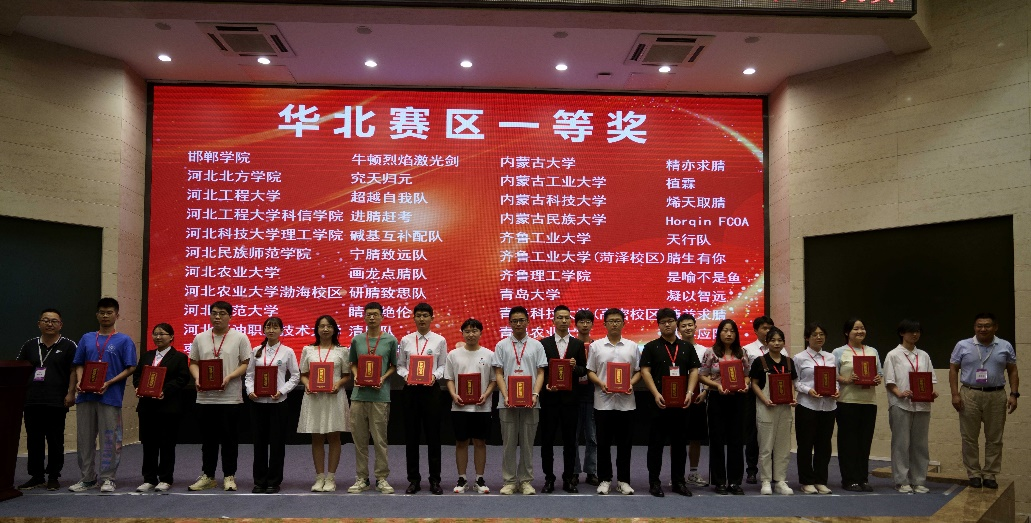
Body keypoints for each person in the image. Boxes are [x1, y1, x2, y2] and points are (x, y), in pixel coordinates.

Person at [69, 297, 138, 493]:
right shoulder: (87, 338)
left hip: (110, 396)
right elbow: (79, 363)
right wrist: (80, 381)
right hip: (85, 396)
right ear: (97, 315)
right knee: (84, 439)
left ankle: (108, 478)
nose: (105, 316)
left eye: (109, 312)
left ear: (117, 315)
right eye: (102, 312)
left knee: (110, 439)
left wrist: (109, 382)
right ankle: (87, 478)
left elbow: (131, 367)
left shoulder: (124, 340)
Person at [948, 312, 1019, 490]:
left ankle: (989, 474)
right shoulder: (962, 345)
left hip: (996, 395)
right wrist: (955, 394)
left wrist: (1014, 394)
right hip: (969, 393)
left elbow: (1012, 370)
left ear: (995, 327)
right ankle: (973, 473)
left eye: (987, 325)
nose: (983, 329)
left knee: (995, 438)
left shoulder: (1005, 346)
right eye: (979, 326)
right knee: (969, 437)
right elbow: (953, 369)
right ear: (974, 327)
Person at [187, 300, 251, 492]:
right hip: (205, 398)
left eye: (222, 313)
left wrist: (230, 377)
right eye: (214, 313)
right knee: (208, 440)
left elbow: (246, 363)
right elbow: (193, 362)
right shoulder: (200, 337)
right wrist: (197, 378)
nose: (217, 317)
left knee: (229, 439)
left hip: (230, 397)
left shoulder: (240, 337)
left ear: (230, 316)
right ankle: (208, 475)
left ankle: (229, 476)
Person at [640, 308, 701, 497]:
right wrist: (655, 393)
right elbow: (645, 371)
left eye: (670, 321)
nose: (667, 324)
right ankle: (654, 482)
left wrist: (689, 392)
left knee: (680, 444)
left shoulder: (686, 347)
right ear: (658, 325)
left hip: (681, 404)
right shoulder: (651, 347)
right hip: (659, 403)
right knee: (656, 445)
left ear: (676, 323)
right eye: (663, 322)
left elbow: (694, 370)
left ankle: (678, 482)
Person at [16, 308, 77, 491]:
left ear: (61, 325)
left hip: (56, 401)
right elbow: (20, 370)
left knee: (55, 440)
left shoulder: (69, 346)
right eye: (46, 320)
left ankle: (53, 476)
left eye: (54, 321)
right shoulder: (29, 345)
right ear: (39, 324)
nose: (50, 324)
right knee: (34, 439)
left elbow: (74, 371)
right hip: (32, 400)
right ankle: (36, 476)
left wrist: (71, 393)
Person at [492, 306, 547, 495]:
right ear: (509, 323)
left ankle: (525, 481)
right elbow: (498, 373)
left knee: (527, 444)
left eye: (521, 320)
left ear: (528, 322)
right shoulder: (501, 345)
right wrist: (506, 395)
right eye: (514, 321)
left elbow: (541, 372)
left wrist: (535, 394)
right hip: (507, 402)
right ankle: (509, 481)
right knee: (508, 444)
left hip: (531, 402)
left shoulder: (537, 345)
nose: (518, 324)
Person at [586, 307, 640, 495]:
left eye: (618, 321)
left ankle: (623, 480)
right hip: (603, 402)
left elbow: (638, 371)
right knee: (603, 443)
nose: (614, 324)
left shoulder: (632, 346)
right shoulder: (596, 346)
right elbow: (590, 371)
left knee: (625, 444)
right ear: (605, 324)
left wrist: (631, 383)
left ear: (624, 323)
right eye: (611, 321)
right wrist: (600, 383)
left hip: (626, 403)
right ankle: (605, 479)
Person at [132, 323, 191, 492]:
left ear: (171, 337)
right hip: (147, 406)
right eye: (155, 334)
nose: (158, 337)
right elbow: (137, 375)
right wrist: (138, 387)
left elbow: (182, 379)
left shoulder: (179, 357)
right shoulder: (147, 356)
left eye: (162, 334)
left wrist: (165, 390)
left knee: (167, 444)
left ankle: (165, 478)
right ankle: (149, 478)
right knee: (149, 444)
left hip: (168, 407)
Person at [347, 302, 398, 494]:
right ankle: (362, 478)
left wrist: (383, 378)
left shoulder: (390, 340)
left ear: (382, 317)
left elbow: (393, 365)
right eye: (368, 314)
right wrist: (356, 376)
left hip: (380, 396)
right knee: (359, 440)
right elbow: (353, 363)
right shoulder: (357, 340)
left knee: (380, 440)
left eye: (375, 314)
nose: (372, 317)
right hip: (359, 396)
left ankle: (381, 478)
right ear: (364, 317)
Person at [244, 317, 299, 493]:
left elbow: (295, 376)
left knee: (277, 443)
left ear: (281, 331)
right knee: (259, 443)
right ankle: (259, 481)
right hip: (258, 402)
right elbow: (249, 375)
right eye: (268, 327)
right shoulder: (256, 351)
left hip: (278, 402)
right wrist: (250, 390)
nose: (271, 330)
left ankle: (274, 481)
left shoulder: (287, 351)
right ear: (264, 330)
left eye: (275, 327)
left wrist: (282, 391)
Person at [397, 302, 447, 495]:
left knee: (434, 436)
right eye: (418, 315)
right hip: (410, 391)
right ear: (414, 318)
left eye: (425, 315)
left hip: (431, 390)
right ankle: (413, 480)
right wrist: (406, 375)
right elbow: (401, 365)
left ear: (432, 318)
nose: (422, 319)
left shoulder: (440, 340)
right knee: (412, 437)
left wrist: (435, 376)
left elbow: (443, 365)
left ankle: (435, 480)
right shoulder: (406, 340)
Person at [297, 315, 351, 492]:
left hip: (334, 397)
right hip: (314, 398)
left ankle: (331, 478)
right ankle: (319, 477)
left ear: (334, 329)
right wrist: (307, 384)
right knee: (317, 437)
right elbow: (303, 374)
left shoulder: (342, 351)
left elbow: (346, 375)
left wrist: (338, 384)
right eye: (322, 326)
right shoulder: (308, 350)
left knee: (334, 437)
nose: (325, 329)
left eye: (329, 326)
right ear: (317, 329)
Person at [538, 305, 587, 493]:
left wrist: (575, 367)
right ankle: (549, 478)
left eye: (567, 317)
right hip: (549, 399)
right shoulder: (543, 343)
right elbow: (540, 371)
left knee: (570, 442)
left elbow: (583, 370)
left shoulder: (577, 344)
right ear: (553, 320)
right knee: (547, 441)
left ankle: (568, 479)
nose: (563, 321)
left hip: (570, 401)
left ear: (570, 321)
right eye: (560, 317)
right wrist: (545, 385)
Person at [884, 319, 937, 494]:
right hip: (900, 404)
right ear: (902, 333)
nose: (915, 334)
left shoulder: (924, 355)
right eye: (911, 331)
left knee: (920, 444)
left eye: (917, 331)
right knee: (901, 443)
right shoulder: (893, 355)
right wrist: (899, 393)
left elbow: (930, 379)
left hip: (922, 405)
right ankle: (901, 481)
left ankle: (919, 480)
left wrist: (931, 393)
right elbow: (889, 381)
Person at [444, 318, 496, 494]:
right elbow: (449, 378)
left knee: (480, 442)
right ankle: (462, 478)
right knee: (461, 442)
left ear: (480, 333)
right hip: (459, 406)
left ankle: (479, 479)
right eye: (467, 331)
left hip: (482, 407)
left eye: (474, 331)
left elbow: (493, 380)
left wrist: (486, 394)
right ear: (462, 333)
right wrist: (453, 394)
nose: (471, 334)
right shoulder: (453, 354)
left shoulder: (489, 354)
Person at [832, 317, 883, 492]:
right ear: (847, 332)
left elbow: (879, 373)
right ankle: (849, 479)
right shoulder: (838, 352)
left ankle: (863, 478)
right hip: (847, 401)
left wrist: (877, 379)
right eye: (856, 328)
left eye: (862, 328)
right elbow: (832, 374)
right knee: (848, 442)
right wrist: (846, 379)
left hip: (869, 402)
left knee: (864, 441)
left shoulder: (872, 351)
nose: (860, 331)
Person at [698, 318, 748, 495]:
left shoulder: (742, 352)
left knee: (736, 441)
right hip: (717, 398)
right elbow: (702, 375)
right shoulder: (711, 352)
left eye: (732, 331)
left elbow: (747, 374)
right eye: (725, 330)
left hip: (737, 399)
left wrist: (745, 384)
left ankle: (735, 482)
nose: (728, 334)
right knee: (717, 440)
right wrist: (717, 385)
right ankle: (719, 481)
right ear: (719, 333)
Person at [748, 327, 797, 496]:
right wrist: (764, 399)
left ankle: (780, 480)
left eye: (780, 340)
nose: (776, 343)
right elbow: (754, 384)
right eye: (773, 340)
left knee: (783, 446)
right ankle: (766, 480)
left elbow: (791, 383)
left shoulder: (789, 362)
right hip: (766, 406)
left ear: (784, 342)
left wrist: (792, 397)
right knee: (766, 446)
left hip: (784, 408)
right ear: (767, 342)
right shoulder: (760, 361)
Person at [793, 322, 838, 495]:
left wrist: (836, 390)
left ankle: (821, 480)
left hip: (828, 406)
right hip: (807, 405)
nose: (819, 337)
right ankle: (806, 481)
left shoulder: (831, 357)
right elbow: (796, 382)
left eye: (821, 334)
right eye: (814, 334)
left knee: (824, 445)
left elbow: (834, 379)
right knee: (805, 444)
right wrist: (808, 390)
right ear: (807, 338)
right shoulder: (799, 358)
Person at [740, 316, 775, 485]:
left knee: (772, 434)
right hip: (752, 395)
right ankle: (752, 470)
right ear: (755, 330)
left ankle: (771, 471)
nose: (768, 331)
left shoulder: (781, 350)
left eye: (770, 328)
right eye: (764, 328)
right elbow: (743, 373)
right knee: (753, 434)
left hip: (774, 396)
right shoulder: (748, 349)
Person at [677, 313, 709, 488]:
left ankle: (693, 472)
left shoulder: (704, 350)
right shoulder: (675, 349)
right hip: (677, 399)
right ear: (678, 329)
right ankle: (677, 474)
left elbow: (709, 375)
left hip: (697, 398)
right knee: (677, 438)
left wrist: (705, 392)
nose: (687, 328)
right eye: (683, 326)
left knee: (695, 438)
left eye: (690, 325)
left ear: (696, 327)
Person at [572, 308, 599, 487]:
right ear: (576, 324)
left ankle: (591, 471)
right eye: (581, 321)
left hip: (593, 395)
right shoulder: (571, 345)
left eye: (588, 321)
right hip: (573, 395)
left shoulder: (597, 346)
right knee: (573, 437)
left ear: (592, 324)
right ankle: (574, 471)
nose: (585, 325)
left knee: (592, 437)